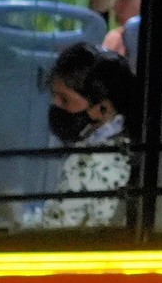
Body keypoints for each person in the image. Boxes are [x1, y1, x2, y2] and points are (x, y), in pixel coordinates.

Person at [33, 43, 140, 231]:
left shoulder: (94, 162)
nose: (55, 105)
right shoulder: (121, 145)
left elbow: (52, 230)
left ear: (101, 109)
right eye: (54, 96)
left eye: (65, 100)